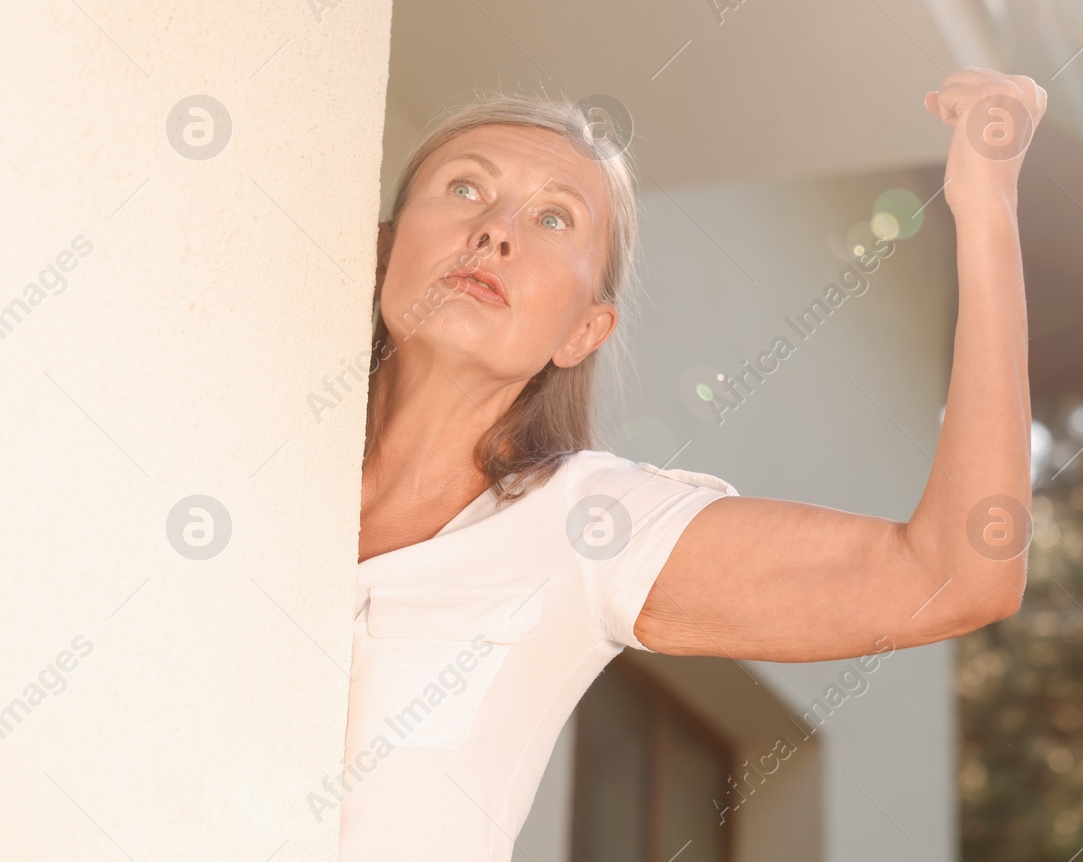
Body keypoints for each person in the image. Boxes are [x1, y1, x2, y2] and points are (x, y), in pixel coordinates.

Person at [335, 67, 1045, 859]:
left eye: (553, 218)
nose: (497, 230)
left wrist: (987, 208)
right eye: (466, 189)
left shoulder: (588, 524)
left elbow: (957, 572)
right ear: (385, 248)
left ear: (583, 332)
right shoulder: (260, 451)